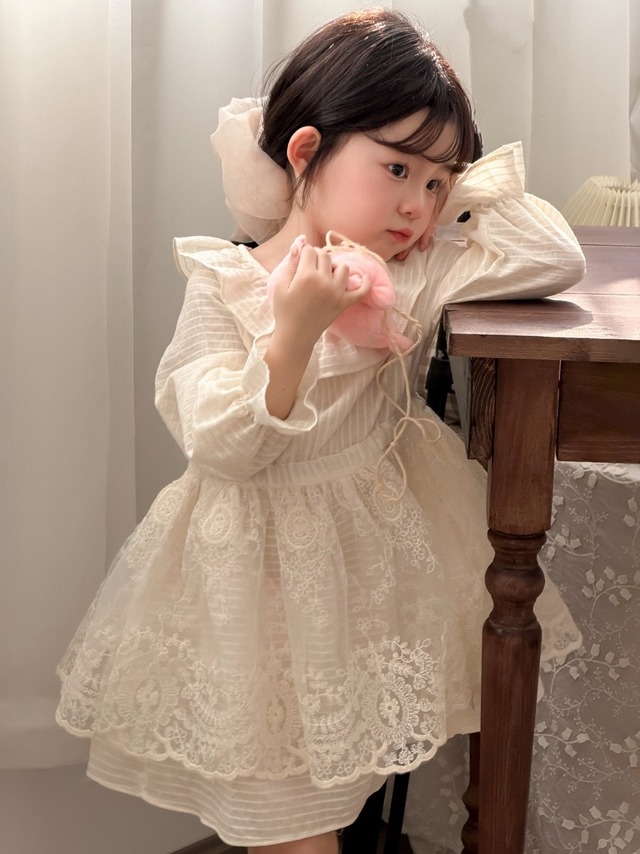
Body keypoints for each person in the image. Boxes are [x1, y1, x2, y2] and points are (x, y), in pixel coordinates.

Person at [56, 9, 586, 854]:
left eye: (437, 183)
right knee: (286, 824)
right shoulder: (226, 283)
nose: (416, 204)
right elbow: (223, 445)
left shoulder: (412, 271)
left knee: (329, 807)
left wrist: (454, 188)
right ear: (306, 150)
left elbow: (552, 255)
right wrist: (295, 332)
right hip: (255, 596)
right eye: (397, 167)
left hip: (367, 587)